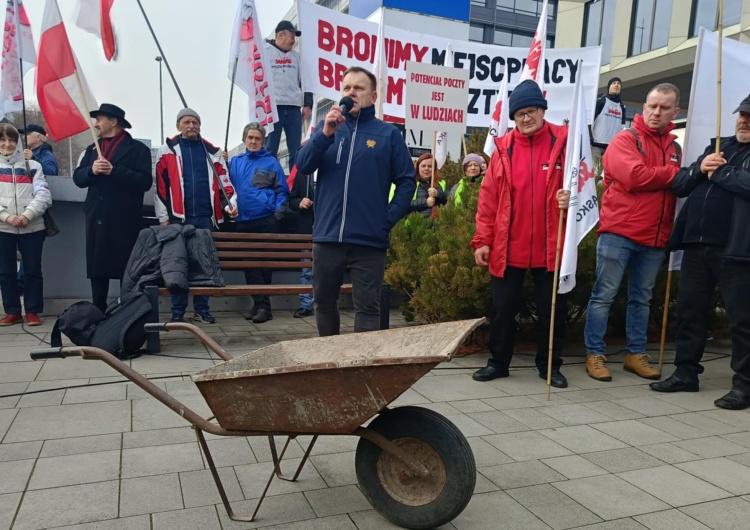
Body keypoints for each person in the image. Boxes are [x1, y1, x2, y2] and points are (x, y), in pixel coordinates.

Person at [295, 66, 415, 336]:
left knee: (367, 307)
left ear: (373, 96)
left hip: (369, 238)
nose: (352, 93)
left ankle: (361, 370)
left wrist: (387, 219)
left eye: (359, 88)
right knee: (323, 302)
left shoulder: (389, 135)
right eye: (347, 88)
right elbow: (302, 166)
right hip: (327, 236)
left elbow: (407, 181)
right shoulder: (327, 130)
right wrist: (324, 135)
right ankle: (331, 362)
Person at [650, 94, 750, 410]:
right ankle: (685, 373)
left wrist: (720, 174)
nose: (745, 120)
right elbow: (680, 184)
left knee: (742, 320)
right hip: (696, 244)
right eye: (742, 115)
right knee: (690, 311)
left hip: (737, 249)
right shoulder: (719, 146)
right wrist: (700, 169)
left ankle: (745, 385)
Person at [470, 80, 571, 388]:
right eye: (520, 114)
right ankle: (498, 363)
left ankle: (550, 365)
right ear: (512, 118)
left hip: (551, 246)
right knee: (502, 310)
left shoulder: (564, 142)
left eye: (532, 111)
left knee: (552, 310)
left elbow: (581, 183)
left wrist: (572, 197)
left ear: (543, 110)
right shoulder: (502, 149)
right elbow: (488, 200)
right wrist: (481, 241)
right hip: (507, 247)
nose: (526, 118)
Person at [584, 83, 682, 382]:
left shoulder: (675, 148)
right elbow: (634, 176)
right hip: (619, 233)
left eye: (664, 108)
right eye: (652, 105)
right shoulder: (625, 139)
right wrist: (674, 174)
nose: (656, 112)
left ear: (675, 112)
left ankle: (635, 354)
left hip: (654, 238)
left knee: (642, 298)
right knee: (604, 296)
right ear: (644, 107)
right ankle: (595, 354)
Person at [155, 108, 237, 323]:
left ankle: (202, 309)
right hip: (177, 218)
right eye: (186, 122)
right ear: (178, 126)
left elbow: (225, 183)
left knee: (205, 265)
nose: (191, 126)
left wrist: (230, 205)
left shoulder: (212, 152)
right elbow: (160, 186)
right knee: (178, 266)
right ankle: (177, 313)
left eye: (195, 122)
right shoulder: (166, 150)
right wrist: (163, 217)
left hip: (206, 217)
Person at [73, 104, 152, 312]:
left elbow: (144, 182)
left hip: (123, 220)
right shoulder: (92, 149)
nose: (96, 124)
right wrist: (92, 170)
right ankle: (97, 311)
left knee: (127, 269)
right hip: (96, 218)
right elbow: (78, 178)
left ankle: (128, 312)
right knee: (97, 269)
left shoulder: (138, 149)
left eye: (99, 119)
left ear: (113, 121)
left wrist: (114, 171)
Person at [228, 122, 289, 324]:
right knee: (249, 266)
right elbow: (226, 188)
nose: (253, 141)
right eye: (250, 138)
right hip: (242, 221)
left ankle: (264, 307)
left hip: (266, 221)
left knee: (264, 265)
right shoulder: (234, 162)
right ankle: (258, 304)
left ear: (263, 141)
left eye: (258, 138)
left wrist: (276, 215)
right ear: (244, 139)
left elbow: (282, 191)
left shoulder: (272, 162)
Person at [0, 123, 51, 326]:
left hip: (32, 226)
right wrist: (6, 217)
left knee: (32, 271)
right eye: (3, 140)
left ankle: (32, 310)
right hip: (4, 227)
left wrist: (27, 215)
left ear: (18, 142)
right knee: (6, 272)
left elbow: (44, 194)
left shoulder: (33, 166)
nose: (7, 144)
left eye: (12, 140)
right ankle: (12, 311)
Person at [265, 20, 312, 171]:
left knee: (295, 150)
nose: (293, 40)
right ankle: (270, 181)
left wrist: (308, 104)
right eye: (291, 36)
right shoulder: (265, 52)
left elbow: (306, 81)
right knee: (270, 148)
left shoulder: (297, 57)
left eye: (294, 36)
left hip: (293, 108)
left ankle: (295, 185)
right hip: (272, 107)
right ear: (280, 35)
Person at [17, 124, 59, 292]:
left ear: (39, 137)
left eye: (28, 134)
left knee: (29, 258)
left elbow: (51, 172)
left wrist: (34, 159)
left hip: (35, 209)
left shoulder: (45, 155)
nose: (24, 138)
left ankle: (21, 286)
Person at [287, 162, 315, 318]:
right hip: (307, 229)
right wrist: (299, 203)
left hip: (329, 228)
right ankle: (306, 305)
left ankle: (324, 303)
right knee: (306, 271)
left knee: (328, 270)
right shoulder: (304, 170)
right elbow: (292, 199)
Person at [591, 77, 627, 155]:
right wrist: (589, 137)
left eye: (618, 83)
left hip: (612, 147)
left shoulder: (622, 106)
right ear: (609, 87)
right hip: (597, 145)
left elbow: (622, 127)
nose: (616, 85)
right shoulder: (601, 102)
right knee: (595, 167)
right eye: (614, 83)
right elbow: (590, 121)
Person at [407, 153, 447, 218]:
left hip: (438, 225)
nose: (426, 169)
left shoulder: (442, 183)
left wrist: (438, 194)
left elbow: (449, 200)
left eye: (430, 166)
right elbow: (403, 204)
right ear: (418, 168)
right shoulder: (410, 183)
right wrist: (425, 202)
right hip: (416, 225)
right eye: (423, 166)